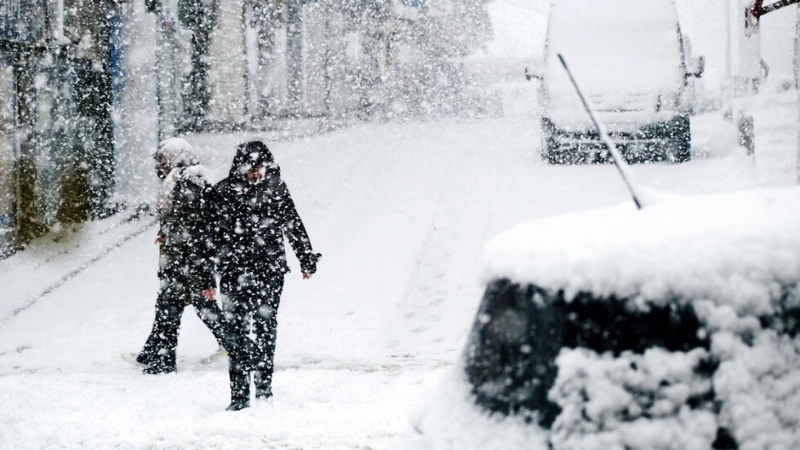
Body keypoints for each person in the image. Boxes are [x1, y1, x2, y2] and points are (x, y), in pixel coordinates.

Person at [208, 140, 320, 411]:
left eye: (260, 167)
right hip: (234, 273)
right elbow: (208, 239)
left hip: (270, 271)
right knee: (235, 330)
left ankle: (264, 388)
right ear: (240, 166)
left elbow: (293, 223)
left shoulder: (276, 189)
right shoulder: (223, 192)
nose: (256, 173)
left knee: (265, 327)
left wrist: (306, 258)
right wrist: (206, 277)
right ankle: (239, 395)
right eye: (251, 167)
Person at [132, 138, 230, 374]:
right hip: (181, 258)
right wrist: (165, 233)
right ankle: (154, 354)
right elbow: (181, 221)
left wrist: (182, 247)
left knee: (175, 306)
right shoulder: (180, 180)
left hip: (186, 260)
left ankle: (163, 360)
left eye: (162, 161)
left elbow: (194, 226)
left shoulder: (187, 183)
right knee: (175, 306)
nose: (159, 167)